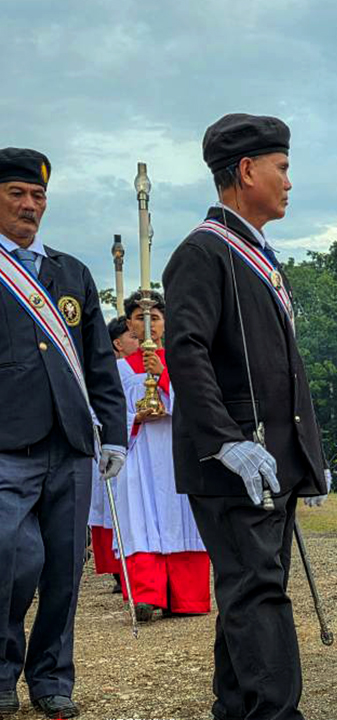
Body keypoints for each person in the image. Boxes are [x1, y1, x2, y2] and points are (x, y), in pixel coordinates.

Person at [163, 114, 328, 720]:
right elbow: (186, 352)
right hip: (234, 458)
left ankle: (235, 710)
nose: (289, 182)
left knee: (251, 589)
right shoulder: (202, 252)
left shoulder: (259, 254)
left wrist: (306, 452)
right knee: (258, 591)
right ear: (247, 170)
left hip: (271, 455)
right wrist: (225, 440)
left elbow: (280, 367)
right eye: (282, 168)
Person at [0, 148, 127, 719]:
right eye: (16, 194)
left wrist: (114, 434)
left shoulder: (70, 273)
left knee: (64, 569)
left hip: (71, 445)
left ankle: (51, 678)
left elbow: (99, 361)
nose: (30, 205)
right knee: (10, 557)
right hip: (7, 445)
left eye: (38, 195)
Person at [109, 291, 210, 622]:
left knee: (181, 517)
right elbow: (103, 411)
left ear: (167, 323)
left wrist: (164, 376)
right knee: (140, 519)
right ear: (129, 325)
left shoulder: (185, 361)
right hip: (139, 451)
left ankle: (187, 597)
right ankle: (146, 595)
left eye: (155, 318)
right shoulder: (118, 369)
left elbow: (201, 400)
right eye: (140, 318)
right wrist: (134, 418)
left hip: (175, 448)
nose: (148, 324)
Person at [88, 318, 142, 594]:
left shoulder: (149, 366)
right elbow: (99, 407)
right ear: (117, 343)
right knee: (114, 508)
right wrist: (134, 419)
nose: (139, 342)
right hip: (116, 445)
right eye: (133, 337)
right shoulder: (112, 369)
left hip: (141, 445)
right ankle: (119, 571)